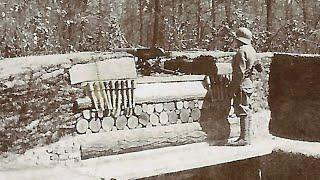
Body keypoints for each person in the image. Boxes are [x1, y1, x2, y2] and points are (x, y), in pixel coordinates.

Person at [228, 27, 261, 146]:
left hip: (242, 84)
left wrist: (232, 88)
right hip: (249, 83)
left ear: (239, 40)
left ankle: (244, 138)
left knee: (242, 110)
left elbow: (239, 73)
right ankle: (246, 137)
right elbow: (260, 68)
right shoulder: (252, 50)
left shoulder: (241, 51)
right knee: (246, 109)